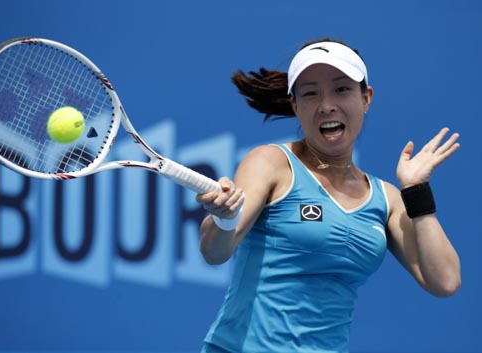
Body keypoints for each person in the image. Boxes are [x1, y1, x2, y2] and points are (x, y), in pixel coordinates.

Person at [196, 37, 461, 353]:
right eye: (310, 93)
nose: (326, 105)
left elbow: (445, 281)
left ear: (366, 98)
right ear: (295, 105)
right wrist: (224, 220)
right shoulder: (271, 163)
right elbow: (214, 252)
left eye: (341, 89)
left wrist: (416, 191)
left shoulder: (386, 199)